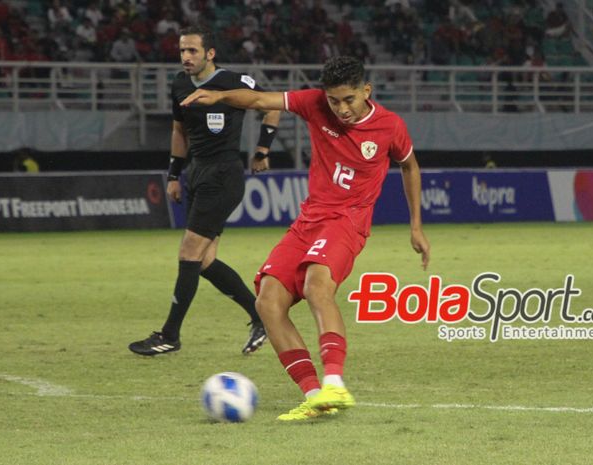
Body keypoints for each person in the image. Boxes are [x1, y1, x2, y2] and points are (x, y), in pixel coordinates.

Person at [181, 56, 430, 420]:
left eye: (349, 99)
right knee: (267, 301)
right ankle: (316, 396)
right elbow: (259, 101)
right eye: (334, 101)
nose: (341, 108)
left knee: (317, 285)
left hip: (348, 221)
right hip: (309, 219)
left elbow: (409, 165)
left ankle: (335, 383)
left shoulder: (389, 126)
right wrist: (219, 97)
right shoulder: (314, 103)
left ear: (366, 91)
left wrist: (416, 226)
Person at [128, 25, 281, 356]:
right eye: (182, 50)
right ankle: (261, 316)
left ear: (210, 54)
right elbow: (178, 130)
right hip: (196, 174)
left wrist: (263, 150)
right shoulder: (180, 84)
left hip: (223, 174)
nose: (185, 56)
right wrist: (173, 174)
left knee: (188, 253)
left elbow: (273, 105)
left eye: (192, 50)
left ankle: (170, 334)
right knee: (205, 260)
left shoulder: (233, 81)